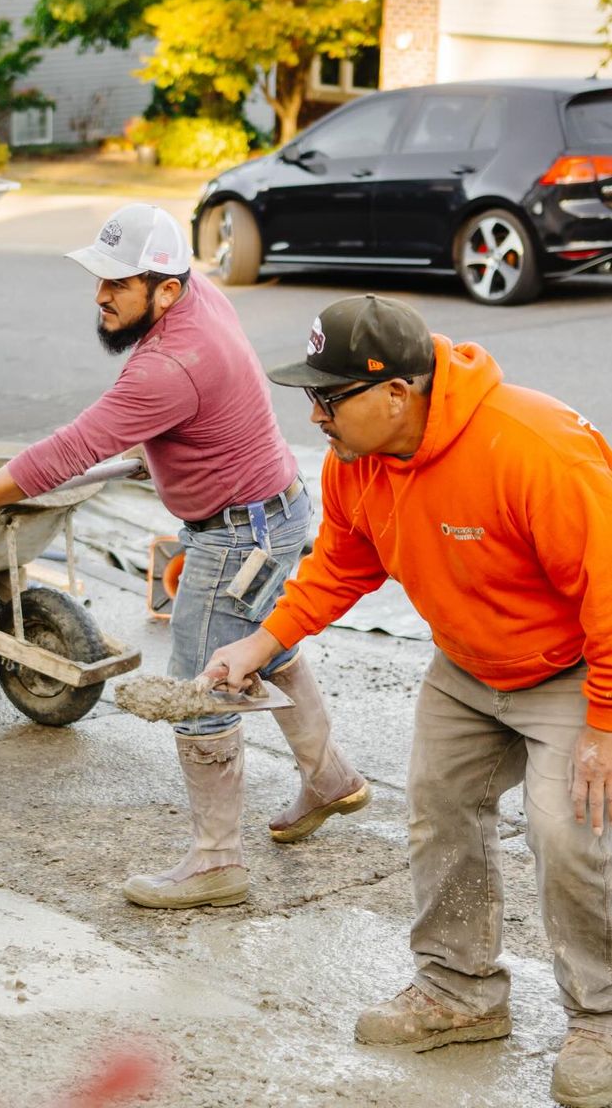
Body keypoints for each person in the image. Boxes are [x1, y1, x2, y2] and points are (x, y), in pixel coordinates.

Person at [201, 293, 612, 1107]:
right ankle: (458, 992)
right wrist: (261, 641)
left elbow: (608, 588)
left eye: (328, 396)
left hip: (571, 669)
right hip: (465, 666)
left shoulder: (532, 449)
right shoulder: (354, 459)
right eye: (309, 397)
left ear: (396, 393)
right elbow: (340, 564)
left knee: (565, 834)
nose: (313, 414)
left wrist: (602, 720)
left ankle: (601, 1016)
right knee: (437, 808)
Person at [0, 202, 369, 910]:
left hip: (236, 535)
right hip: (270, 511)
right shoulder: (196, 300)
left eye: (116, 284)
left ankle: (216, 863)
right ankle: (330, 778)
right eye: (99, 279)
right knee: (263, 650)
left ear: (165, 290)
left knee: (203, 686)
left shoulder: (167, 366)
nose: (99, 296)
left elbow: (67, 452)